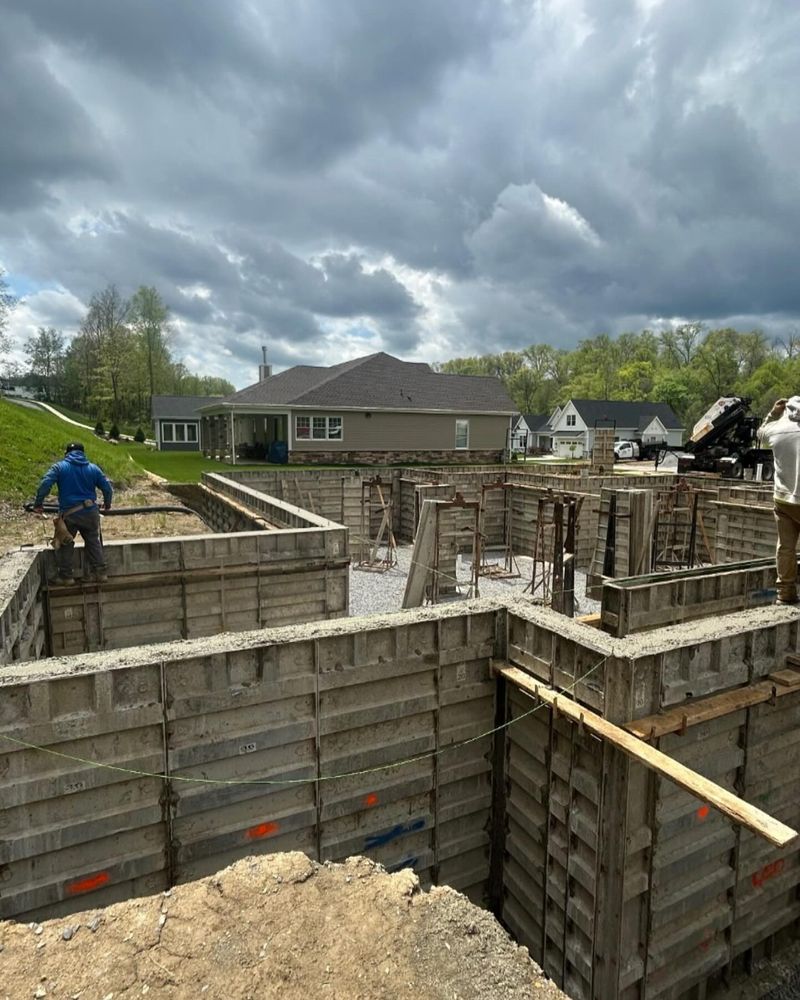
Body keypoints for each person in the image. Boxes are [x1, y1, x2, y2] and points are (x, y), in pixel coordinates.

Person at [33, 442, 113, 585]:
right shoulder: (94, 469)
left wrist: (38, 503)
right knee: (93, 541)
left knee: (65, 542)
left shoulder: (60, 467)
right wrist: (107, 504)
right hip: (91, 512)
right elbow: (107, 488)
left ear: (67, 453)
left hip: (70, 514)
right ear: (83, 453)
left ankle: (66, 577)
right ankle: (100, 573)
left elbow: (45, 483)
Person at [760, 397, 800, 604]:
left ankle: (785, 593)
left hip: (784, 500)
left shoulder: (777, 429)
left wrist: (773, 413)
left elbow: (760, 432)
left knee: (785, 547)